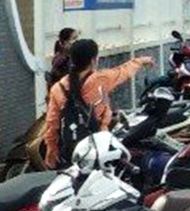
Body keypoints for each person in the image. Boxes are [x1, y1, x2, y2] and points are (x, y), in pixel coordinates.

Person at [43, 37, 155, 169]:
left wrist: (51, 151)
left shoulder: (58, 88)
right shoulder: (100, 79)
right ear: (93, 60)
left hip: (72, 151)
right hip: (99, 146)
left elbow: (52, 124)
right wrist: (142, 61)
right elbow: (123, 71)